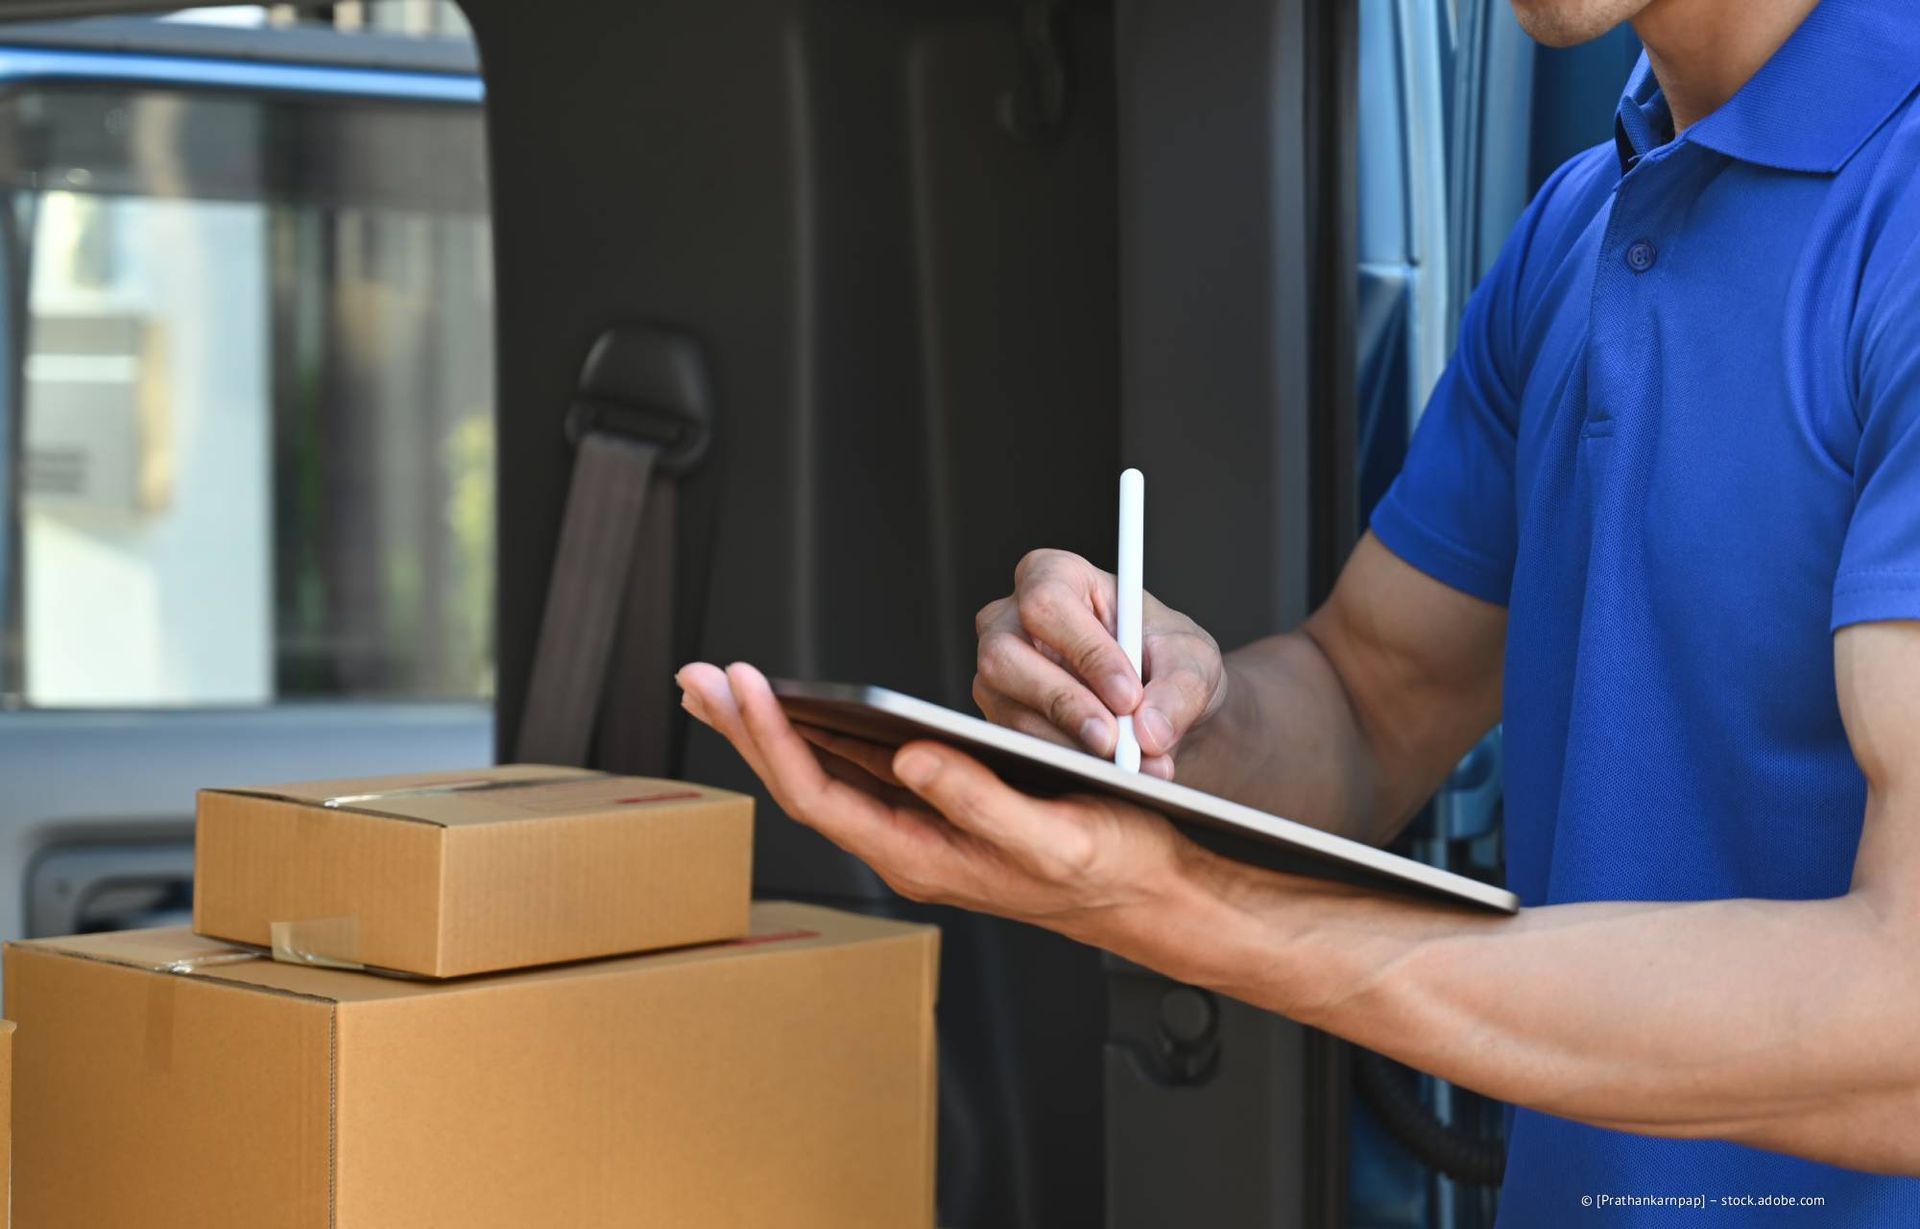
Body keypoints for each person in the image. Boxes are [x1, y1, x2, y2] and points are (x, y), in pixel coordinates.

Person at [678, 0, 1920, 1220]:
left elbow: (1904, 1019)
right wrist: (1160, 727)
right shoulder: (1578, 227)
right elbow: (1372, 696)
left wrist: (1209, 914)